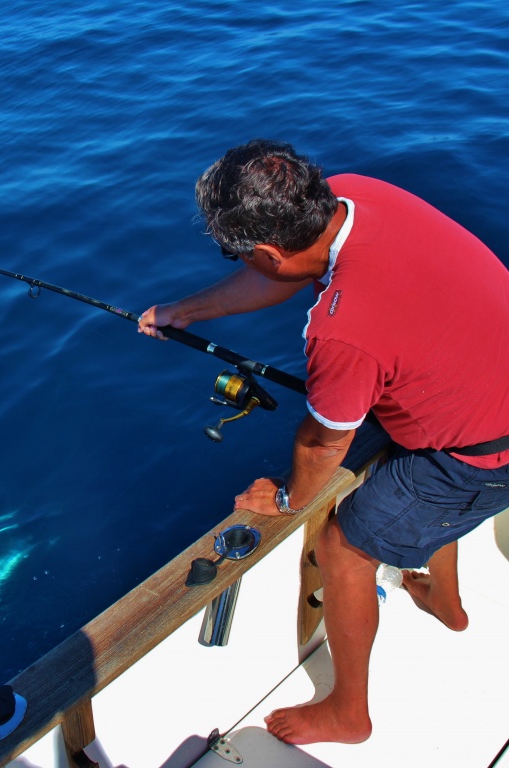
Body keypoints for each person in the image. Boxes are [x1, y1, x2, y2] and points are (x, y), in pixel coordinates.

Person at [138, 139, 509, 745]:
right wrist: (187, 311)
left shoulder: (343, 332)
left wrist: (288, 500)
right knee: (411, 472)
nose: (238, 260)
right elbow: (287, 273)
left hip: (485, 456)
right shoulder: (357, 193)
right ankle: (448, 604)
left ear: (263, 249)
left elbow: (320, 446)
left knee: (345, 547)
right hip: (490, 383)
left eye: (236, 252)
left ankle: (348, 714)